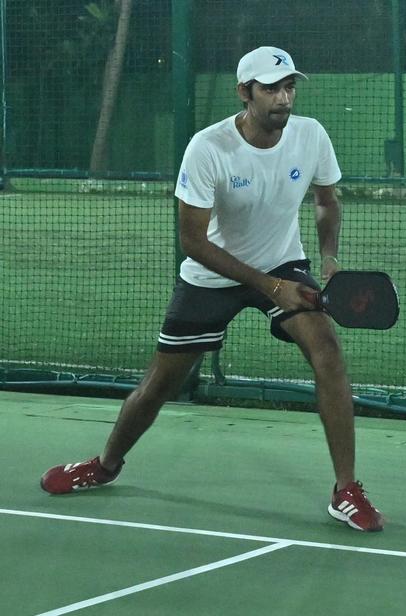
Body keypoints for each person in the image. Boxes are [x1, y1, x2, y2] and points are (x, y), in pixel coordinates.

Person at [40, 46, 384, 532]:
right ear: (244, 93)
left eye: (289, 88)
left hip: (284, 262)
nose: (283, 99)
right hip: (212, 273)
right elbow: (192, 242)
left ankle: (346, 490)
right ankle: (105, 465)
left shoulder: (311, 136)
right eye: (270, 89)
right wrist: (270, 287)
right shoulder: (209, 147)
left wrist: (328, 258)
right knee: (160, 385)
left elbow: (327, 201)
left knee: (328, 351)